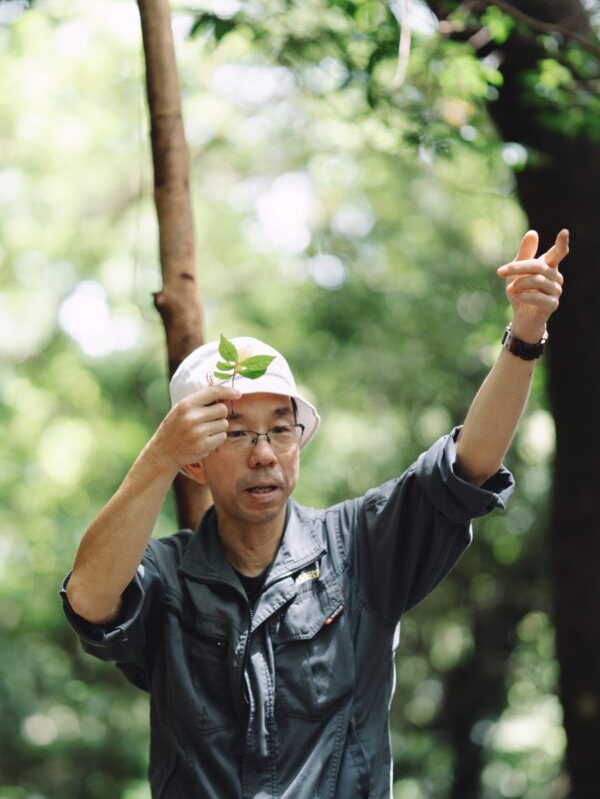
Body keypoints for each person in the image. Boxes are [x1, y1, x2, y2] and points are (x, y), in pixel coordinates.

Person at [61, 229, 568, 798]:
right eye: (236, 435)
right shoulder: (168, 576)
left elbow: (467, 468)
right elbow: (90, 601)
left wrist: (524, 337)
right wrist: (157, 459)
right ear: (194, 463)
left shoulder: (359, 546)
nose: (263, 453)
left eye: (281, 430)